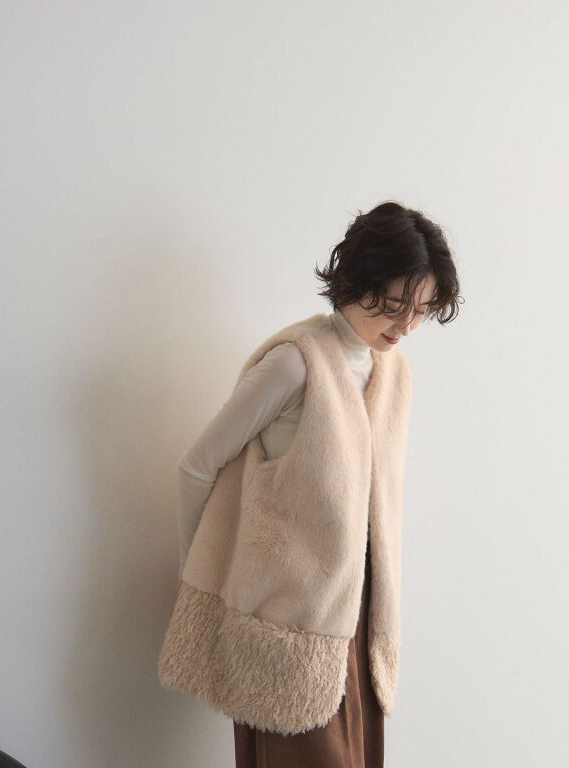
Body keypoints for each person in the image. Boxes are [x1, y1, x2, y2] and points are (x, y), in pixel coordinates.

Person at [165, 200, 462, 768]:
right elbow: (196, 467)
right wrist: (200, 582)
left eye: (422, 310)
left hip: (361, 623)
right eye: (395, 305)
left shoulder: (392, 371)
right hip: (287, 628)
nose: (406, 326)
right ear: (357, 281)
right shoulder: (294, 364)